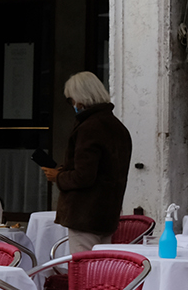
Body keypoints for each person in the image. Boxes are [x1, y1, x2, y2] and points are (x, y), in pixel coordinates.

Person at [45, 71, 132, 256]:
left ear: (80, 98)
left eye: (71, 100)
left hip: (84, 214)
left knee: (84, 269)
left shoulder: (88, 128)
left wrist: (58, 176)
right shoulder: (118, 127)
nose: (73, 105)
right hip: (108, 214)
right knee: (101, 268)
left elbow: (83, 176)